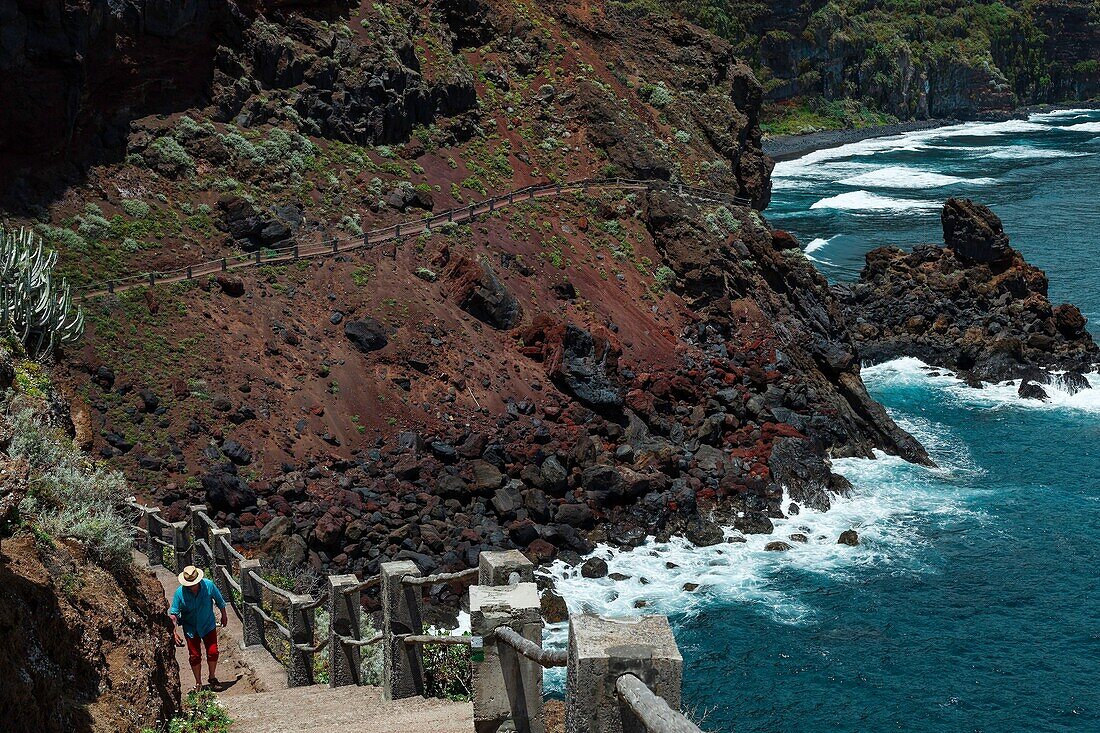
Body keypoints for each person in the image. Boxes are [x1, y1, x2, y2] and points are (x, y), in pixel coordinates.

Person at [170, 565, 228, 691]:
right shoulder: (180, 593)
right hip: (190, 627)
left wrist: (224, 615)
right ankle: (198, 682)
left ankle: (212, 677)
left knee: (213, 651)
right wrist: (173, 632)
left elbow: (219, 600)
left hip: (207, 623)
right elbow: (174, 614)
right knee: (194, 655)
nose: (192, 585)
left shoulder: (209, 585)